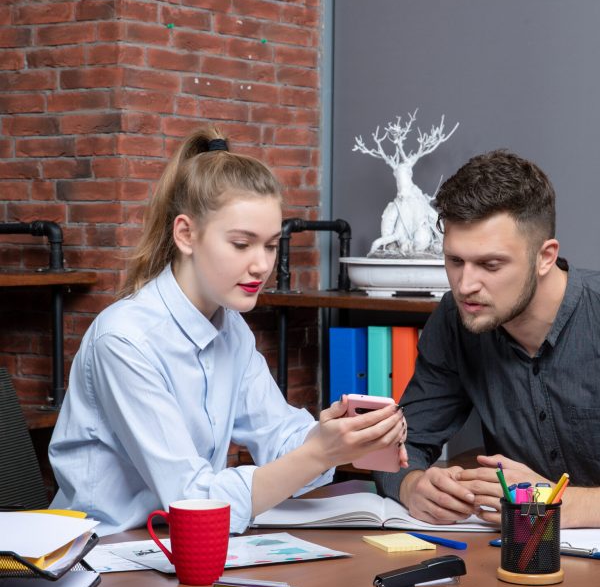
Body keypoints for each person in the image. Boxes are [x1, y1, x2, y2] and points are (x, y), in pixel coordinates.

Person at [49, 126, 407, 535]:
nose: (261, 265)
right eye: (242, 244)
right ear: (186, 234)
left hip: (178, 550)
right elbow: (192, 501)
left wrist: (335, 433)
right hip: (107, 555)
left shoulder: (231, 329)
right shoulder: (125, 340)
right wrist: (319, 452)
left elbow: (278, 434)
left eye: (271, 245)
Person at [373, 149, 600, 529]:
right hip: (517, 559)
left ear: (545, 256)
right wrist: (413, 486)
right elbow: (401, 445)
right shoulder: (455, 318)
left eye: (490, 265)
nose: (466, 285)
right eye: (455, 261)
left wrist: (546, 502)